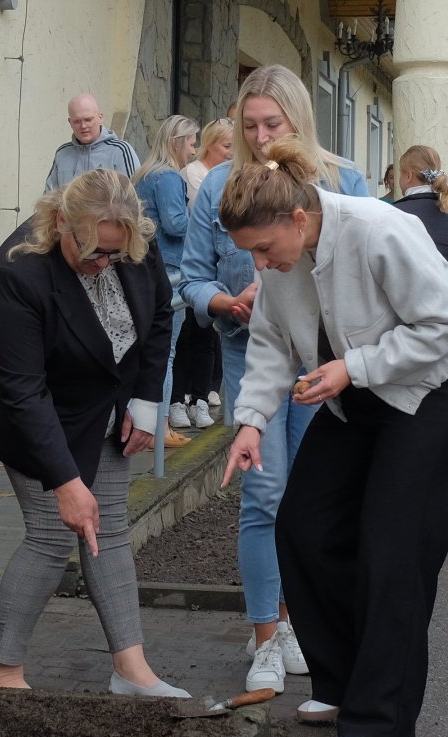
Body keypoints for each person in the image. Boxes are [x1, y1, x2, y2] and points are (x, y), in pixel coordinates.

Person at [222, 133, 448, 737]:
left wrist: (353, 367)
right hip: (349, 397)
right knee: (303, 528)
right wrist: (251, 422)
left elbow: (447, 326)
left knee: (393, 548)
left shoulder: (379, 229)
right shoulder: (281, 263)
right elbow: (270, 344)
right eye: (250, 253)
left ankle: (382, 717)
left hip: (424, 395)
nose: (260, 265)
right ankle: (339, 684)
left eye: (264, 248)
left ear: (298, 218)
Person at [180, 64, 371, 695]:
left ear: (299, 121)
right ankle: (266, 634)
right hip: (249, 356)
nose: (261, 138)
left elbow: (368, 273)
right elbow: (191, 277)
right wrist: (223, 302)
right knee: (264, 494)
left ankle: (302, 621)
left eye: (273, 124)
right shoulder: (218, 186)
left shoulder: (342, 180)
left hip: (323, 363)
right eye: (249, 125)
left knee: (316, 496)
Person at [0, 169, 188, 697]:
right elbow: (24, 391)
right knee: (52, 534)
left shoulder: (133, 241)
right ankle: (2, 671)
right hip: (33, 411)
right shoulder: (20, 271)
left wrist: (146, 402)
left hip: (105, 402)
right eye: (92, 252)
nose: (103, 263)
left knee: (108, 531)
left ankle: (132, 671)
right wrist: (66, 481)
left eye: (114, 254)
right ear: (62, 222)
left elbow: (159, 314)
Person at [392, 145, 448, 522]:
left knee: (409, 421)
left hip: (407, 326)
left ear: (408, 176)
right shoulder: (447, 217)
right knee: (444, 418)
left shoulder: (398, 214)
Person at [133, 115, 205, 438]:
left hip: (144, 267)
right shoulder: (169, 178)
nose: (193, 150)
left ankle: (142, 424)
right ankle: (160, 428)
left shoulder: (145, 175)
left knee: (145, 349)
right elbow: (175, 224)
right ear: (176, 142)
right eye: (191, 143)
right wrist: (204, 225)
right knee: (166, 349)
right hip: (170, 270)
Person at [178, 118, 233, 417]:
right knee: (196, 334)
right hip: (201, 268)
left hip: (219, 275)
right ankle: (191, 395)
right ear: (210, 145)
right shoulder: (200, 176)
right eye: (227, 145)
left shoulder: (221, 175)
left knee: (209, 337)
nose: (231, 152)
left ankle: (207, 389)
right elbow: (200, 224)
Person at [43, 94, 140, 191]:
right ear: (70, 122)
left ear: (100, 117)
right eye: (77, 121)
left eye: (88, 120)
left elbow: (135, 195)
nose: (83, 126)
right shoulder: (62, 154)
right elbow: (49, 196)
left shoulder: (121, 152)